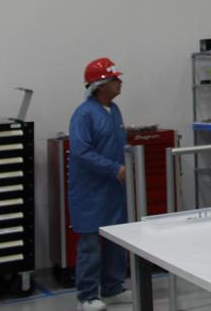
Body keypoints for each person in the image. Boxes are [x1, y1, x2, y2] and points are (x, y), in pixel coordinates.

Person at [68, 57, 131, 311]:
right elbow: (81, 152)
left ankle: (113, 288)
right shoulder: (83, 114)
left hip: (112, 189)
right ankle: (87, 295)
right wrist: (113, 168)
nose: (120, 83)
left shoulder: (114, 110)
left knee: (116, 240)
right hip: (90, 191)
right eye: (115, 79)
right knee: (91, 245)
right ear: (101, 85)